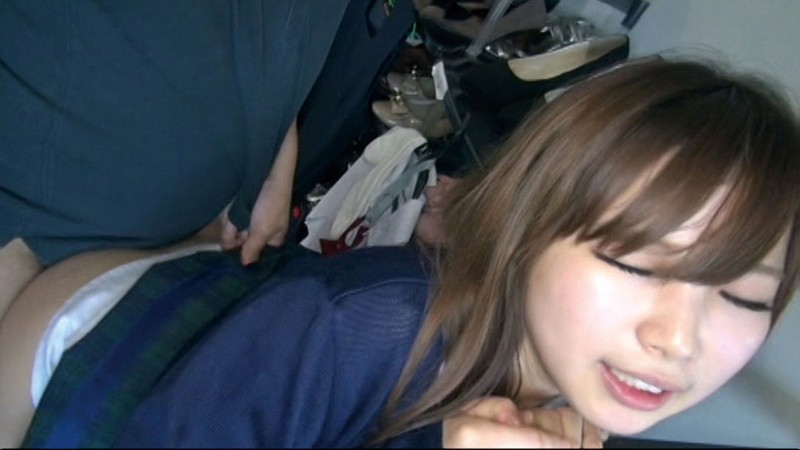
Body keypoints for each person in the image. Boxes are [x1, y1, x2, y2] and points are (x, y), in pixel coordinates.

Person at [5, 56, 800, 448]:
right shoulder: (364, 326)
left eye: (743, 296)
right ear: (532, 224)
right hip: (86, 330)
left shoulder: (582, 397)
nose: (677, 339)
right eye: (634, 264)